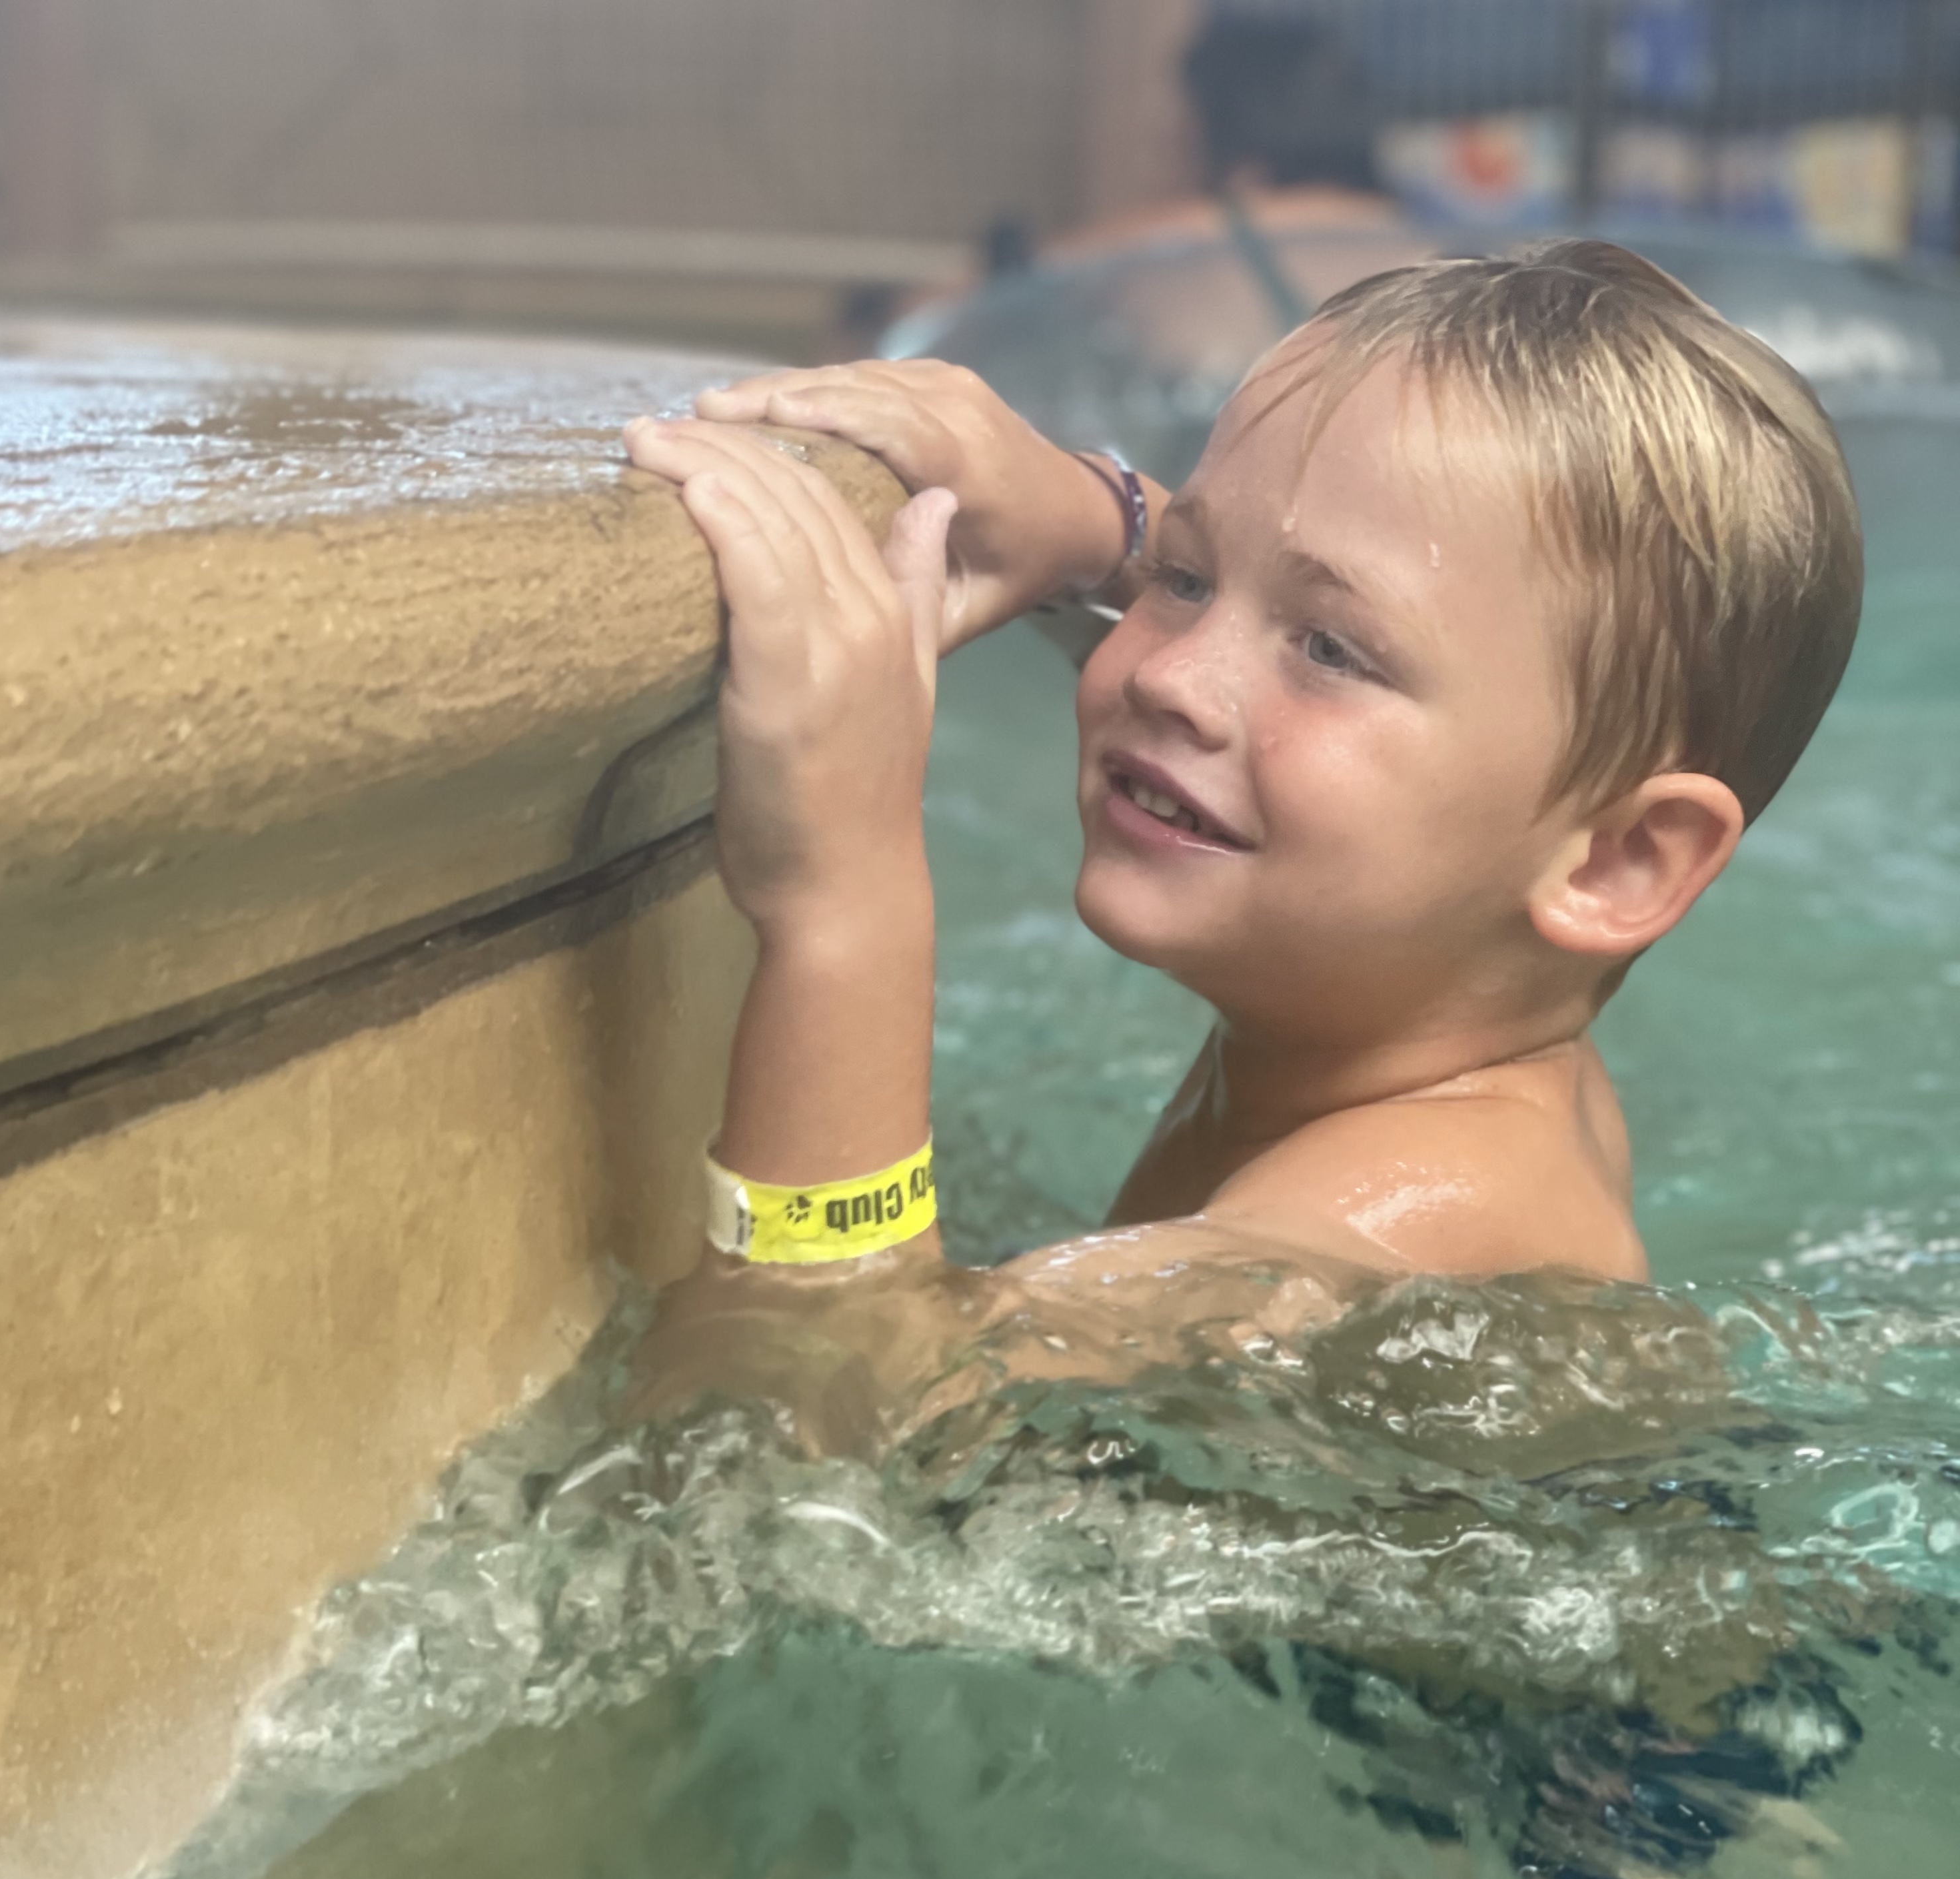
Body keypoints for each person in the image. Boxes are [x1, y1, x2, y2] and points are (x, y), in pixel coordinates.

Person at [621, 239, 1860, 1366]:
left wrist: (844, 899)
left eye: (1329, 652)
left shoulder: (1408, 1235)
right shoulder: (1461, 1022)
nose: (1170, 673)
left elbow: (822, 1436)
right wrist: (1093, 522)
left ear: (1622, 862)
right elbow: (1344, 568)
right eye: (1185, 577)